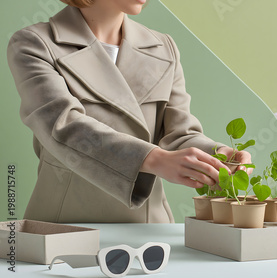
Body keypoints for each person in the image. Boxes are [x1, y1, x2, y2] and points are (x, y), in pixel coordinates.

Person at [6, 0, 251, 223]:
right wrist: (154, 159)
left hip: (148, 226)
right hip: (64, 223)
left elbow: (180, 134)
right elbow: (62, 127)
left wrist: (218, 155)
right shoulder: (35, 43)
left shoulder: (163, 47)